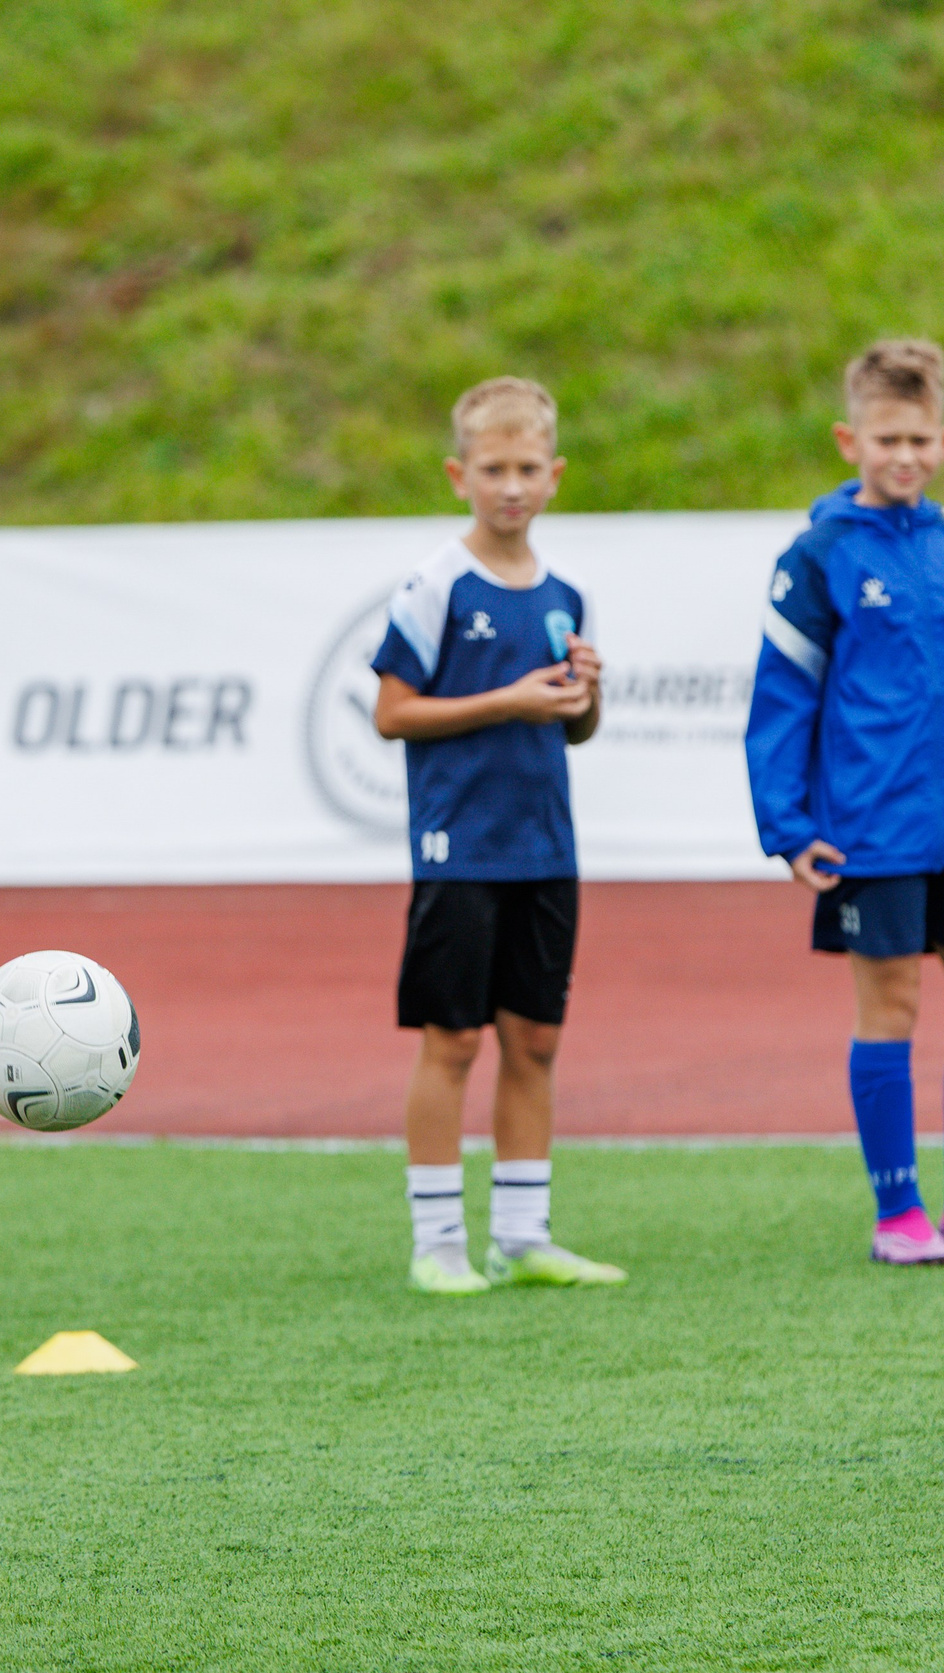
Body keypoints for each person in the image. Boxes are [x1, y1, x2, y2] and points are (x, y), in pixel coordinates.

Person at [744, 340, 944, 1265]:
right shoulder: (817, 555)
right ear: (850, 438)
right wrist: (788, 825)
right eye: (886, 438)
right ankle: (897, 1215)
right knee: (889, 1008)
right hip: (867, 833)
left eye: (921, 440)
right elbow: (782, 696)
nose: (904, 456)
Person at [369, 376, 625, 1295]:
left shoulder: (569, 594)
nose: (511, 484)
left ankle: (522, 1233)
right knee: (453, 1041)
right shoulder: (435, 585)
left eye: (527, 467)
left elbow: (570, 728)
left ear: (554, 475)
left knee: (536, 1040)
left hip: (545, 847)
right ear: (458, 474)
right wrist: (510, 699)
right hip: (460, 848)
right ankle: (438, 1242)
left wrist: (580, 699)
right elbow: (393, 712)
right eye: (492, 468)